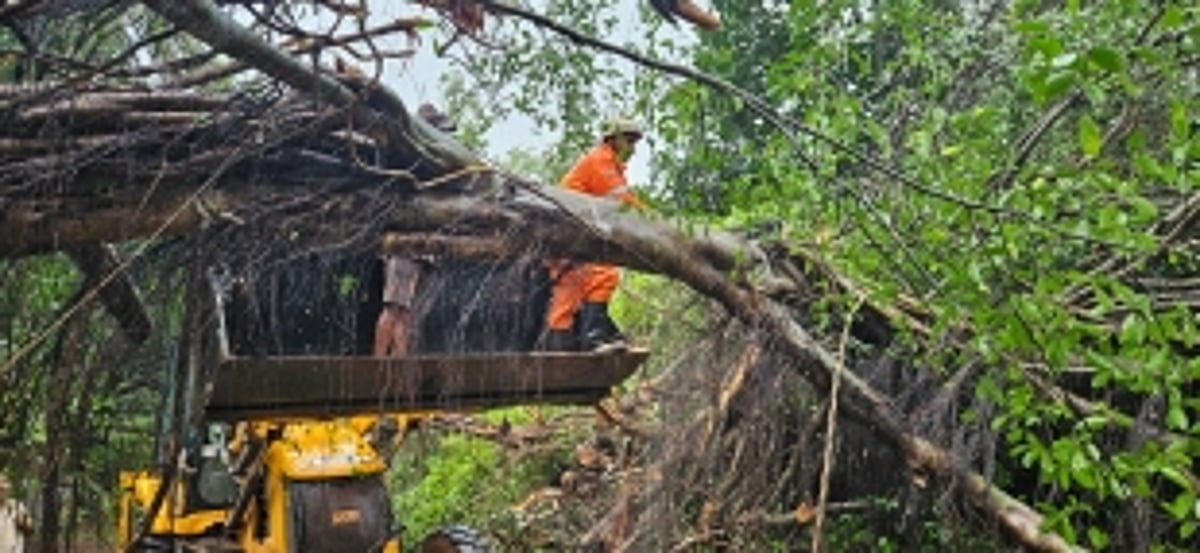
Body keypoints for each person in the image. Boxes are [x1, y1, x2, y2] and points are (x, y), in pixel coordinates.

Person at [543, 117, 648, 352]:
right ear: (613, 140)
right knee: (603, 274)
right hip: (567, 235)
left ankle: (569, 344)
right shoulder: (600, 161)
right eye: (629, 141)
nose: (632, 149)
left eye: (635, 143)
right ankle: (592, 336)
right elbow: (622, 202)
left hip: (570, 237)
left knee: (569, 292)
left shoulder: (611, 166)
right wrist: (653, 221)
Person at [0, 474, 31, 553]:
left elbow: (29, 530)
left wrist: (22, 522)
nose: (1, 492)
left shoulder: (17, 506)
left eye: (3, 489)